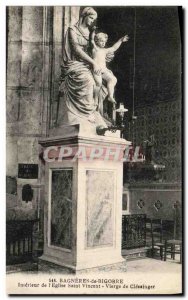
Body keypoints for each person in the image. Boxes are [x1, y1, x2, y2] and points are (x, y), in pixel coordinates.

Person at [58, 7, 110, 127]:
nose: (92, 21)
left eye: (94, 19)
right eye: (91, 18)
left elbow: (95, 50)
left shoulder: (91, 33)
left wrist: (104, 55)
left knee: (103, 81)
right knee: (87, 80)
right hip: (75, 63)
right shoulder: (73, 30)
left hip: (89, 63)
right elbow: (76, 50)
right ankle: (86, 115)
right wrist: (93, 63)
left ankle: (96, 111)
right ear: (84, 16)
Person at [91, 29, 129, 107]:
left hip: (104, 70)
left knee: (113, 79)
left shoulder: (105, 50)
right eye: (101, 41)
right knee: (98, 83)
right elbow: (91, 39)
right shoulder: (95, 48)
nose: (103, 43)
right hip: (97, 69)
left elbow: (114, 48)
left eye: (104, 42)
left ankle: (110, 96)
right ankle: (95, 100)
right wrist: (92, 31)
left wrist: (121, 40)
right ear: (97, 41)